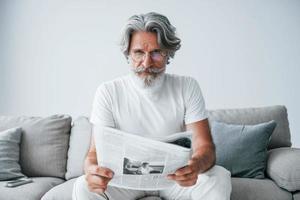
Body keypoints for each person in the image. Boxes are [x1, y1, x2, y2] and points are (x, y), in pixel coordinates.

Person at [73, 12, 231, 200]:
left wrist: (195, 166)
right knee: (83, 186)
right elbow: (94, 154)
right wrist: (92, 171)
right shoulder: (108, 91)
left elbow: (205, 147)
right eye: (139, 52)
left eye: (156, 52)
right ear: (128, 54)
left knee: (219, 176)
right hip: (124, 182)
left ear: (168, 54)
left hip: (175, 180)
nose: (147, 63)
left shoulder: (187, 86)